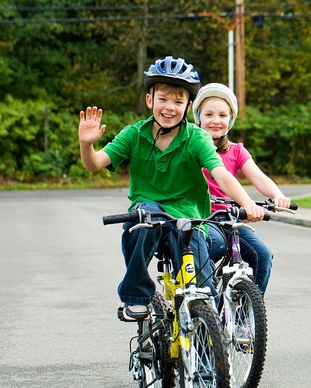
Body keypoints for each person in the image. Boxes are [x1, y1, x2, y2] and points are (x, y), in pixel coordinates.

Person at [78, 56, 265, 319]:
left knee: (205, 296)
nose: (169, 107)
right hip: (149, 215)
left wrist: (247, 202)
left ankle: (203, 351)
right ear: (149, 100)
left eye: (178, 101)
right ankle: (136, 294)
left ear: (188, 107)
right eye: (162, 99)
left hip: (188, 220)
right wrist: (87, 145)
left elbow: (220, 173)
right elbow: (95, 163)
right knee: (147, 216)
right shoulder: (134, 134)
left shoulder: (197, 137)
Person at [191, 83, 290, 294]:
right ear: (198, 118)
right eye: (209, 114)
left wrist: (277, 195)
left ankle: (249, 313)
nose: (216, 120)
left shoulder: (236, 151)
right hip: (202, 218)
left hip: (231, 217)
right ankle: (205, 304)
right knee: (214, 245)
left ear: (230, 121)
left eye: (222, 115)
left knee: (262, 256)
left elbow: (259, 177)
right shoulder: (191, 147)